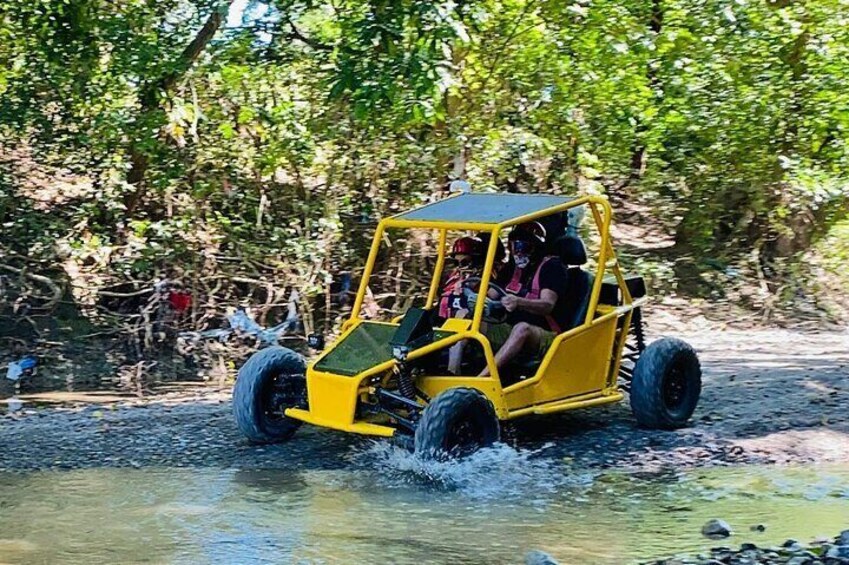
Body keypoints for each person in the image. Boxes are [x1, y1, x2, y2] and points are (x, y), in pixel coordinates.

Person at [479, 221, 570, 377]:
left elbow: (547, 305)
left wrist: (519, 302)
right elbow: (491, 295)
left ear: (535, 246)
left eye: (521, 246)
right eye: (513, 245)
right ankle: (451, 370)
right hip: (509, 326)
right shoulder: (512, 267)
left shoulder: (551, 266)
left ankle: (482, 380)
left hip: (547, 336)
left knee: (522, 328)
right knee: (468, 316)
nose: (517, 252)